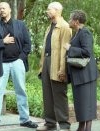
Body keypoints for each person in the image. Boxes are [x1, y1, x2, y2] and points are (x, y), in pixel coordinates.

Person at [0, 2, 38, 130]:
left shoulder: (20, 25)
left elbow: (27, 44)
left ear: (9, 10)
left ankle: (25, 119)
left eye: (3, 8)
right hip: (1, 63)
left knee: (21, 91)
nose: (1, 10)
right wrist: (3, 41)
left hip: (17, 63)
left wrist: (21, 59)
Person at [37, 2, 72, 131]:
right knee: (47, 94)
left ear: (57, 10)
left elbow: (65, 51)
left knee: (59, 95)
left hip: (57, 63)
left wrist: (62, 69)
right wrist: (42, 67)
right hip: (47, 61)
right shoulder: (50, 26)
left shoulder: (64, 27)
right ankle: (50, 123)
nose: (47, 11)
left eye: (49, 9)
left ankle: (64, 125)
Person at [64, 10, 98, 131]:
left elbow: (87, 52)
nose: (68, 21)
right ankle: (81, 127)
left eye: (70, 19)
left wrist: (70, 48)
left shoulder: (85, 33)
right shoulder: (77, 33)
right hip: (78, 76)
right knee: (81, 105)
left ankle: (86, 128)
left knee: (87, 106)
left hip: (86, 77)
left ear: (76, 21)